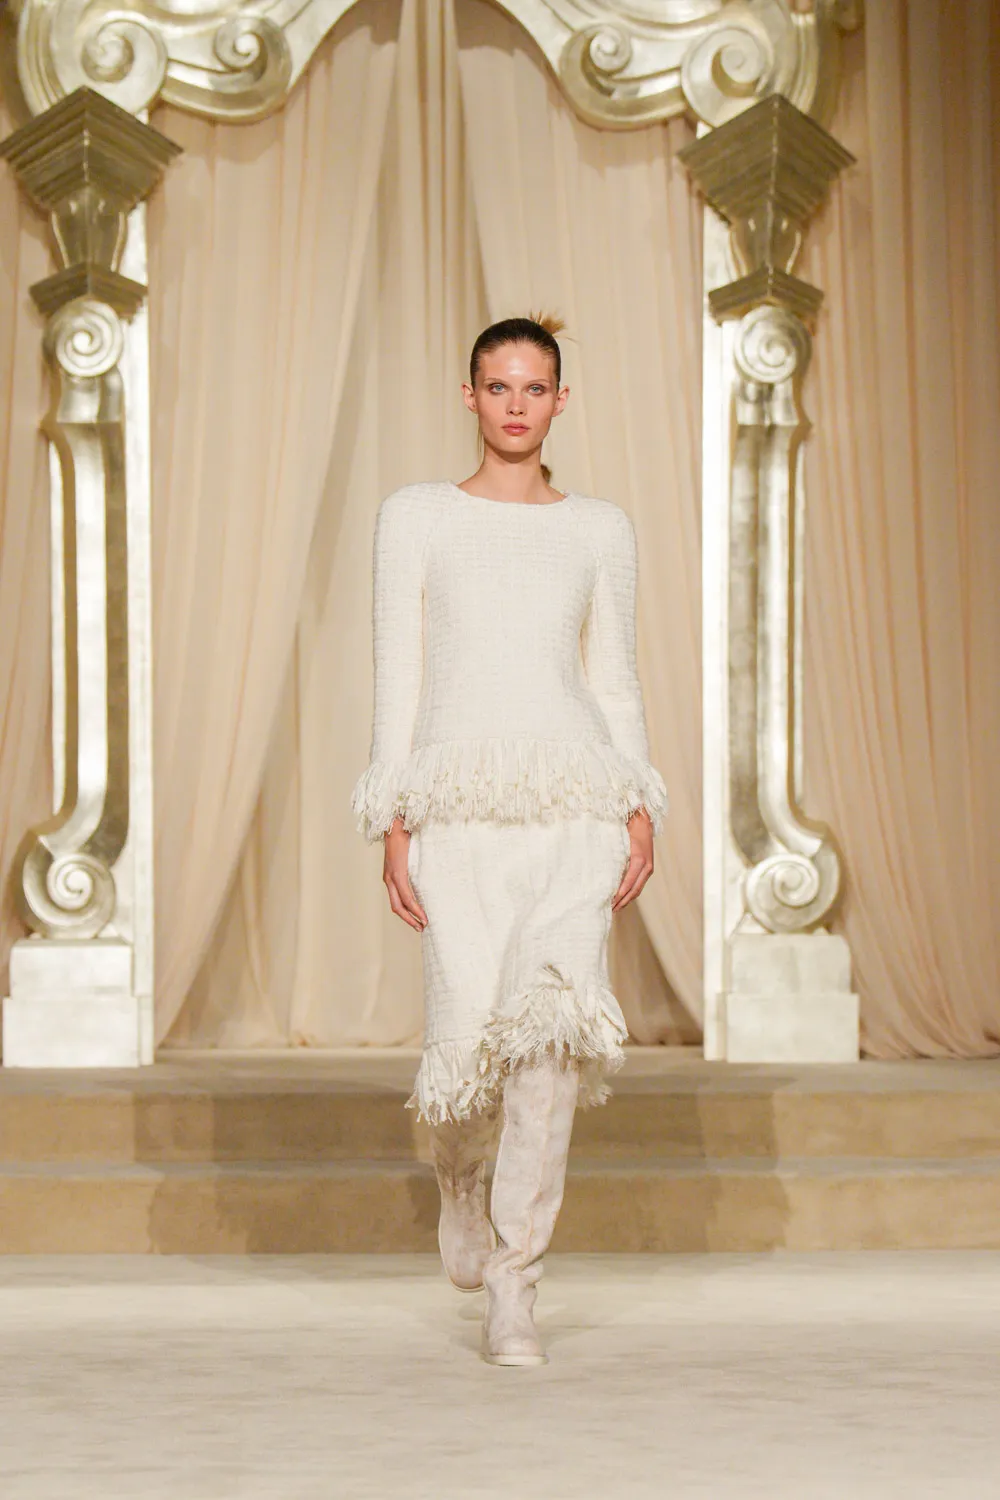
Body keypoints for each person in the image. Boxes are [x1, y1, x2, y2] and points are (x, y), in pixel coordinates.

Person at [350, 312, 668, 1366]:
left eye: (536, 387)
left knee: (548, 1043)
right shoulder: (416, 518)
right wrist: (393, 817)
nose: (517, 404)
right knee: (464, 1044)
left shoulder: (600, 530)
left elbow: (615, 681)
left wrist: (637, 804)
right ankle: (460, 1180)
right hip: (459, 808)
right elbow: (398, 674)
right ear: (471, 395)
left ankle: (516, 1281)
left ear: (561, 400)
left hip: (573, 803)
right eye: (499, 386)